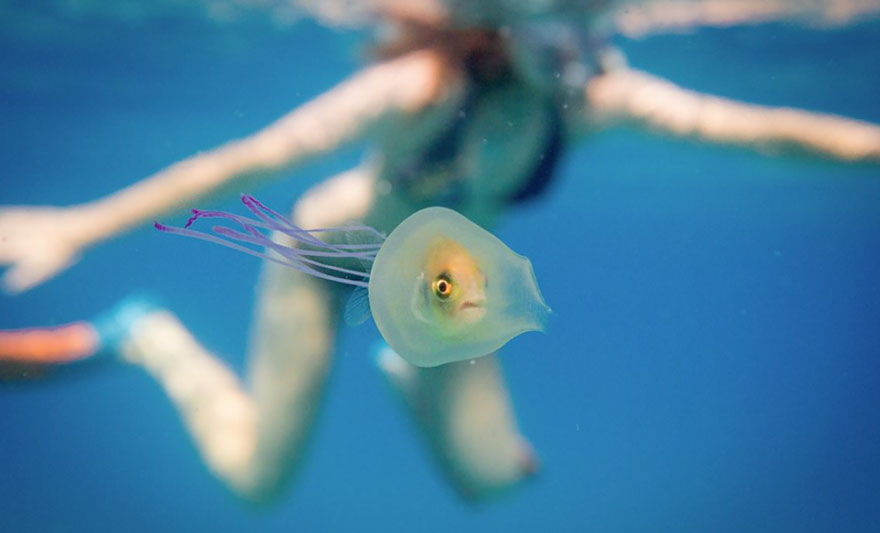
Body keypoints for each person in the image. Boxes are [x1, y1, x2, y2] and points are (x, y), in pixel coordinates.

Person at [1, 0, 878, 502]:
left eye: (588, 24)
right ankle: (144, 335)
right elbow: (249, 161)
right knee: (257, 483)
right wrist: (81, 226)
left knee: (492, 483)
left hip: (438, 285)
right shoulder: (416, 85)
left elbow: (765, 133)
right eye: (556, 25)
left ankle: (411, 368)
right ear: (503, 23)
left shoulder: (593, 100)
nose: (577, 47)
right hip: (324, 263)